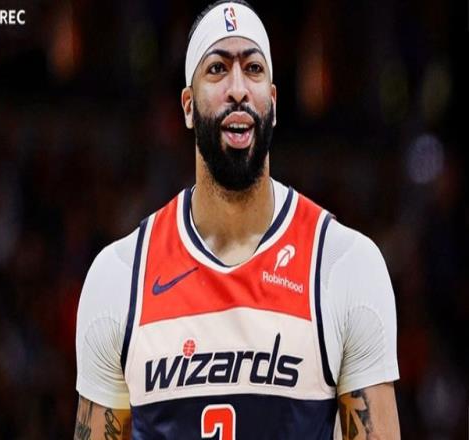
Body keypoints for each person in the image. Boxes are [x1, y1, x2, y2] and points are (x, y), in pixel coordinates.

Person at [74, 1, 400, 438]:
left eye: (253, 69)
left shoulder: (344, 265)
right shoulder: (119, 275)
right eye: (217, 69)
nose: (238, 88)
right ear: (188, 106)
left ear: (273, 103)